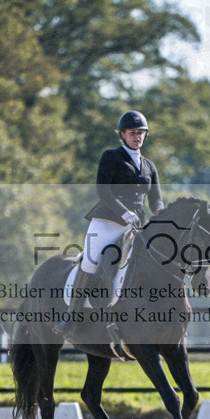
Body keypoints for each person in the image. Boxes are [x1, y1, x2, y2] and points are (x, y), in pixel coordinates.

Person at [53, 110, 163, 340]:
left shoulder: (150, 166)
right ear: (122, 134)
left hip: (136, 227)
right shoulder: (111, 157)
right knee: (91, 262)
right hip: (107, 221)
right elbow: (103, 191)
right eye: (132, 133)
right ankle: (71, 316)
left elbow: (156, 200)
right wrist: (124, 213)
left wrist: (162, 220)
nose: (137, 137)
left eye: (141, 133)